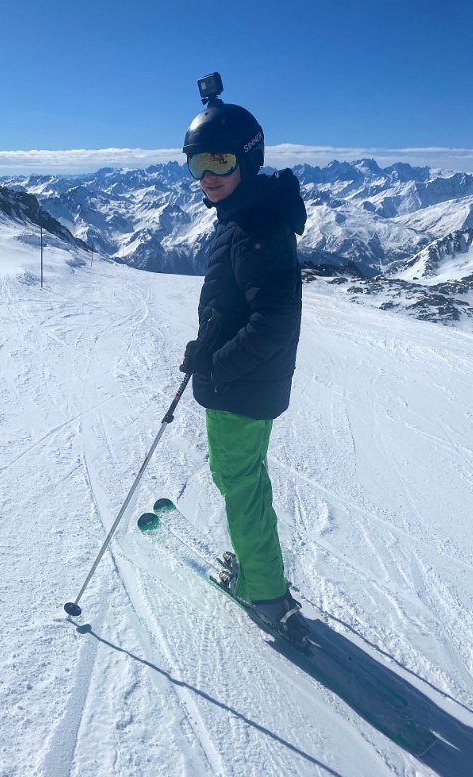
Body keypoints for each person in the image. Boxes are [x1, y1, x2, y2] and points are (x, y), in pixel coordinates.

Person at [179, 74, 308, 644]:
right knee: (243, 479)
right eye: (197, 163)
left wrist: (215, 365)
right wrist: (206, 345)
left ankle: (264, 592)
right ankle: (259, 568)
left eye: (220, 160)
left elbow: (273, 322)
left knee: (239, 482)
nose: (207, 176)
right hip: (248, 382)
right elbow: (237, 308)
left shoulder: (254, 225)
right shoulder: (245, 215)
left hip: (242, 386)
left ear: (248, 160)